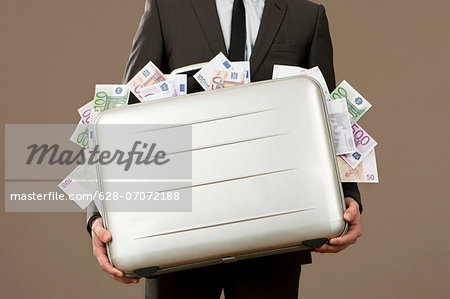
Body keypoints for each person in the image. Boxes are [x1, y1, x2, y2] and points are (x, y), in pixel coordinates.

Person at [87, 0, 363, 298]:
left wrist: (347, 197)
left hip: (277, 228)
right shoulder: (166, 8)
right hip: (178, 232)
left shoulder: (307, 16)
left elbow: (330, 115)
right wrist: (99, 213)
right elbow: (125, 117)